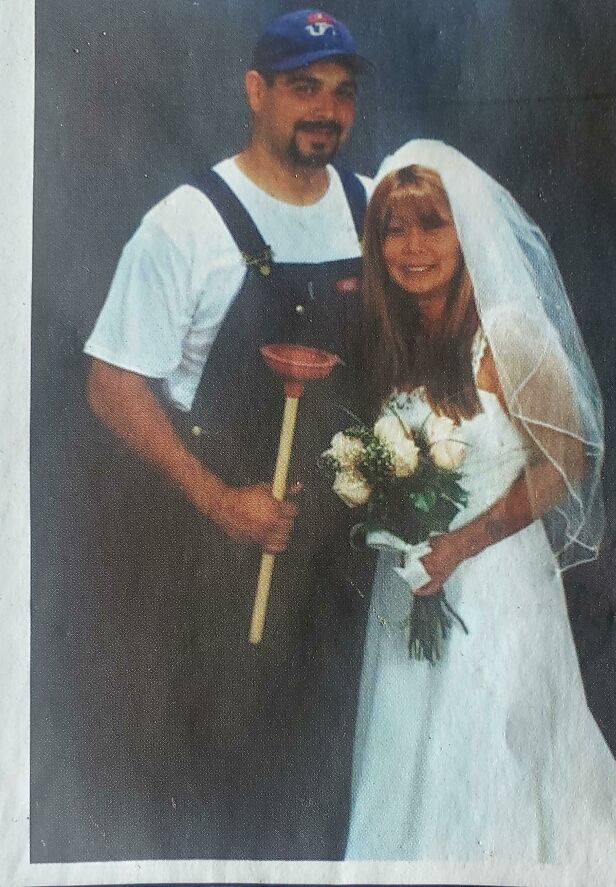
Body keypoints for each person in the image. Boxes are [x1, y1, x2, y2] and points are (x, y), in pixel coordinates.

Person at [81, 9, 371, 860]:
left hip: (339, 560)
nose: (325, 109)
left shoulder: (371, 206)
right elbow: (110, 383)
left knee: (329, 780)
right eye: (301, 87)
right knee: (224, 781)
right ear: (255, 92)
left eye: (341, 93)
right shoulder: (187, 222)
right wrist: (219, 500)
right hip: (214, 549)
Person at [343, 141, 616, 863]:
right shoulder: (398, 336)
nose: (412, 246)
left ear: (467, 231)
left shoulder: (510, 332)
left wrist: (463, 543)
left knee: (490, 779)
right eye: (394, 228)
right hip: (412, 589)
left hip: (494, 593)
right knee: (408, 769)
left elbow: (567, 461)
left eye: (433, 225)